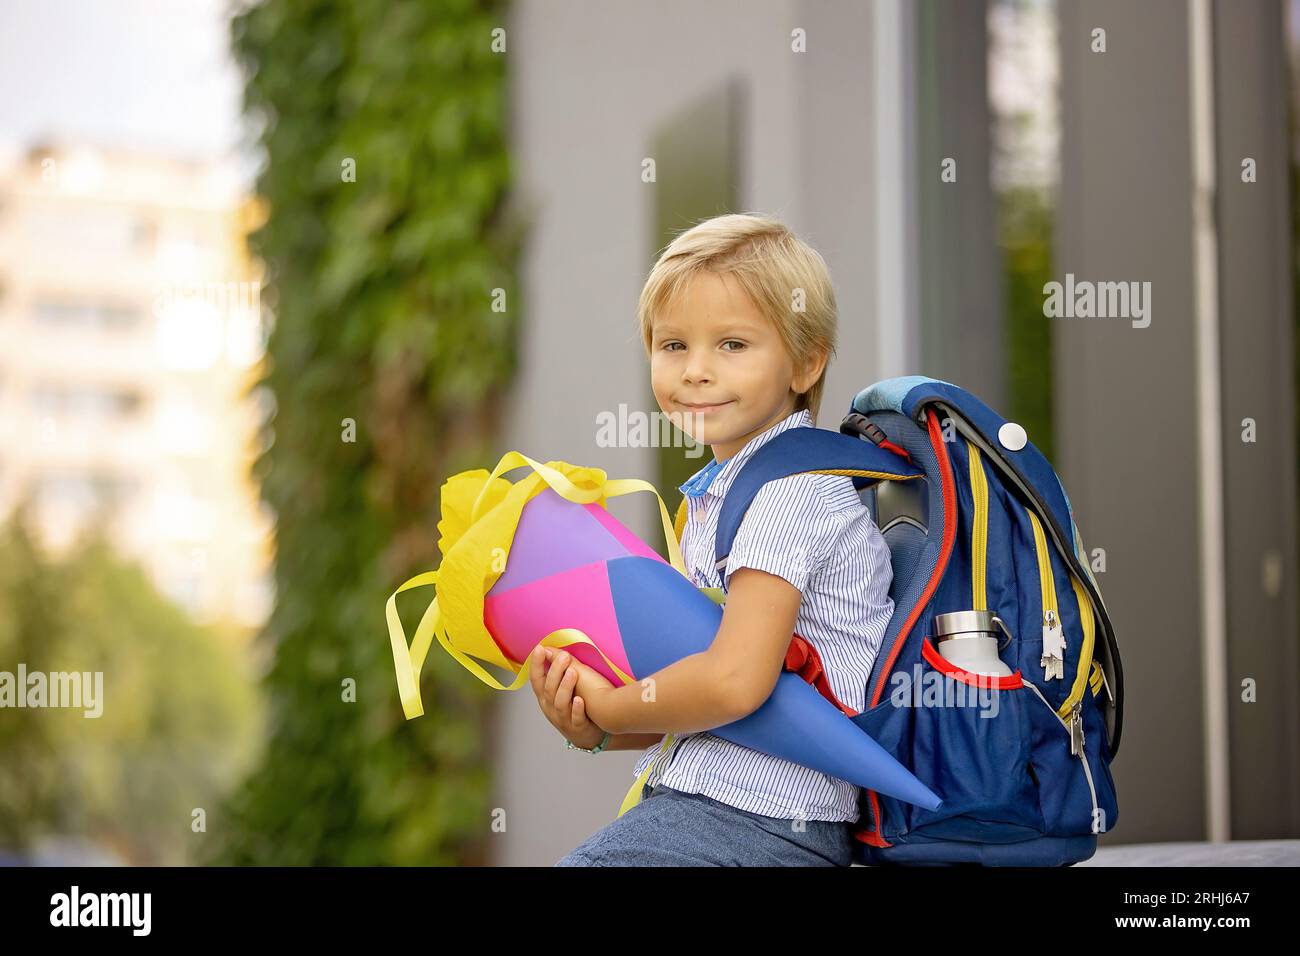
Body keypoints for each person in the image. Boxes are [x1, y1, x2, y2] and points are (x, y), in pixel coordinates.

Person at [537, 213, 895, 866]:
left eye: (732, 344)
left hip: (765, 818)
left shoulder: (790, 491)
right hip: (723, 811)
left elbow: (735, 684)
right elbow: (714, 703)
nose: (696, 370)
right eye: (673, 345)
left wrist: (614, 706)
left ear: (805, 361)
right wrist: (594, 726)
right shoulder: (721, 492)